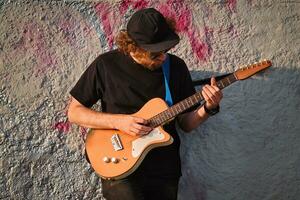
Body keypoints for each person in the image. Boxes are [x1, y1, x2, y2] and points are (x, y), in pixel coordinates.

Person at [68, 8, 223, 200]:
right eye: (155, 54)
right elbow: (74, 112)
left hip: (164, 171)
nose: (163, 57)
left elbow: (186, 124)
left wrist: (208, 108)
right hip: (120, 168)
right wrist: (119, 122)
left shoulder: (175, 67)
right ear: (132, 47)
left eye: (165, 50)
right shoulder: (106, 65)